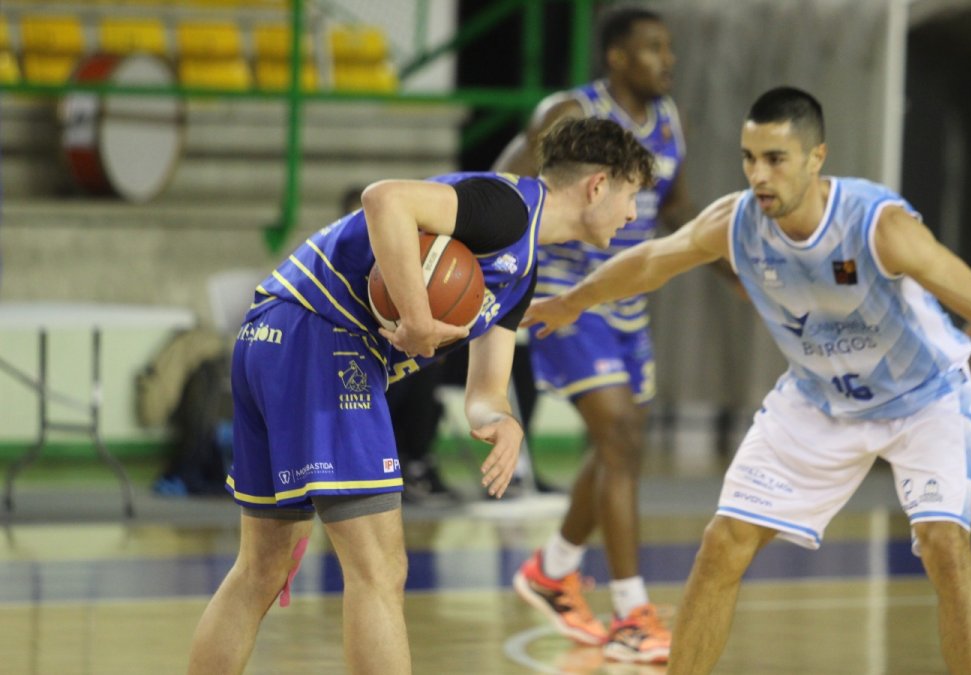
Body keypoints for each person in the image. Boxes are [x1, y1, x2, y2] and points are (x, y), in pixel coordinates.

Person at [520, 86, 971, 675]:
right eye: (749, 158)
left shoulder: (878, 225)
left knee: (943, 543)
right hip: (820, 398)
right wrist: (572, 300)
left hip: (924, 397)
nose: (759, 174)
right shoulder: (735, 222)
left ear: (817, 158)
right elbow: (649, 261)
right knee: (722, 542)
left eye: (776, 158)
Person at [185, 116, 654, 675]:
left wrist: (499, 420)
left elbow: (485, 390)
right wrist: (417, 320)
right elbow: (384, 200)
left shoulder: (523, 268)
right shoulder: (505, 207)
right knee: (380, 570)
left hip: (269, 334)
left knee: (262, 568)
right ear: (598, 185)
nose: (633, 214)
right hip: (322, 334)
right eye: (631, 197)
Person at [495, 7, 692, 663]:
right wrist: (496, 272)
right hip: (565, 298)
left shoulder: (668, 122)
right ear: (616, 57)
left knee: (619, 448)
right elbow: (505, 183)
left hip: (629, 303)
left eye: (668, 48)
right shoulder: (572, 110)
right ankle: (631, 610)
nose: (667, 59)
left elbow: (679, 209)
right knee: (619, 436)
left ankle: (553, 569)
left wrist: (738, 268)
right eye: (652, 49)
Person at [340, 186, 457, 505]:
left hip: (395, 350)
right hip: (350, 355)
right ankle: (376, 461)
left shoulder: (402, 260)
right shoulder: (340, 260)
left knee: (426, 371)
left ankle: (414, 462)